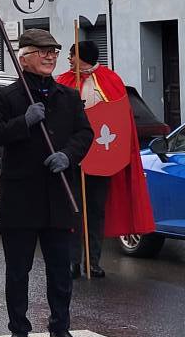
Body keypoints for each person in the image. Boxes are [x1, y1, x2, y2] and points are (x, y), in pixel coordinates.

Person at [0, 29, 93, 337]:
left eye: (54, 52)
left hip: (58, 196)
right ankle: (19, 330)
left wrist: (68, 155)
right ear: (24, 57)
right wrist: (23, 122)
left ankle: (60, 328)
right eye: (42, 51)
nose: (50, 56)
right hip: (21, 199)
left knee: (60, 269)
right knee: (18, 271)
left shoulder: (68, 97)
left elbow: (85, 133)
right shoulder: (8, 97)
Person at [58, 40, 154, 279]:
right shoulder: (63, 83)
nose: (68, 60)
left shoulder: (111, 81)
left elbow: (120, 121)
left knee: (96, 211)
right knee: (75, 212)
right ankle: (73, 261)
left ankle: (94, 262)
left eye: (72, 55)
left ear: (84, 57)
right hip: (74, 159)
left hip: (102, 159)